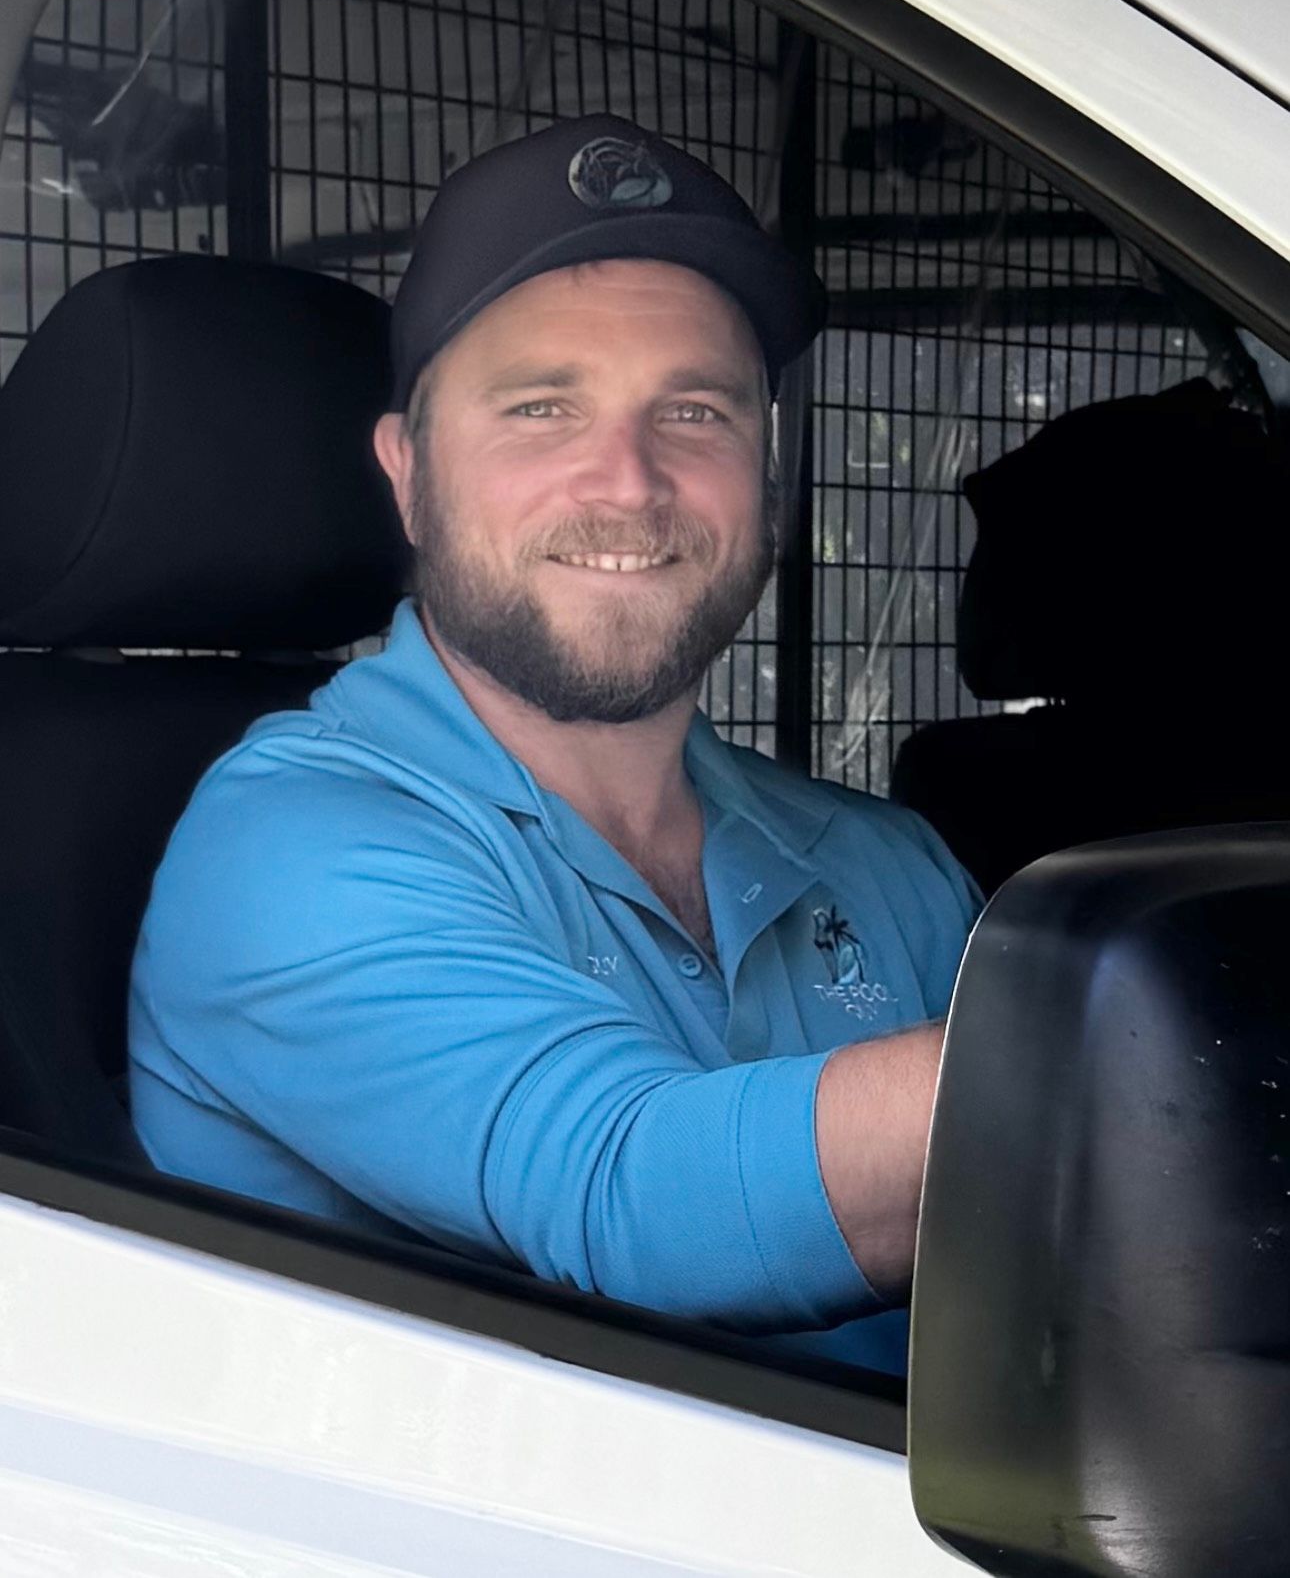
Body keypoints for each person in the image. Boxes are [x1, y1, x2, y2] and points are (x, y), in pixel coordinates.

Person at [129, 114, 981, 1375]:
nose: (627, 484)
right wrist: (1167, 1046)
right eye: (540, 408)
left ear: (770, 477)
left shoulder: (883, 863)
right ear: (408, 472)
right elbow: (629, 1191)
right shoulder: (281, 847)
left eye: (694, 411)